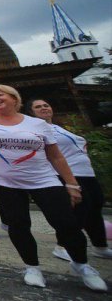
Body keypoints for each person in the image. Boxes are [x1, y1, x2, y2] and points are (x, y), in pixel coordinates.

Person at [0, 84, 107, 292]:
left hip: (43, 179)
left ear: (14, 98)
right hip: (6, 182)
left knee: (65, 222)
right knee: (18, 224)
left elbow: (55, 156)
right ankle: (32, 267)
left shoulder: (37, 124)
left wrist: (71, 183)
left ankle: (82, 265)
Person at [28, 97, 112, 261]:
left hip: (86, 173)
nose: (44, 108)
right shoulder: (35, 130)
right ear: (31, 113)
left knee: (94, 208)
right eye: (38, 107)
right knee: (78, 209)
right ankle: (63, 245)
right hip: (66, 173)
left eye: (46, 105)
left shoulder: (59, 128)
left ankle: (100, 246)